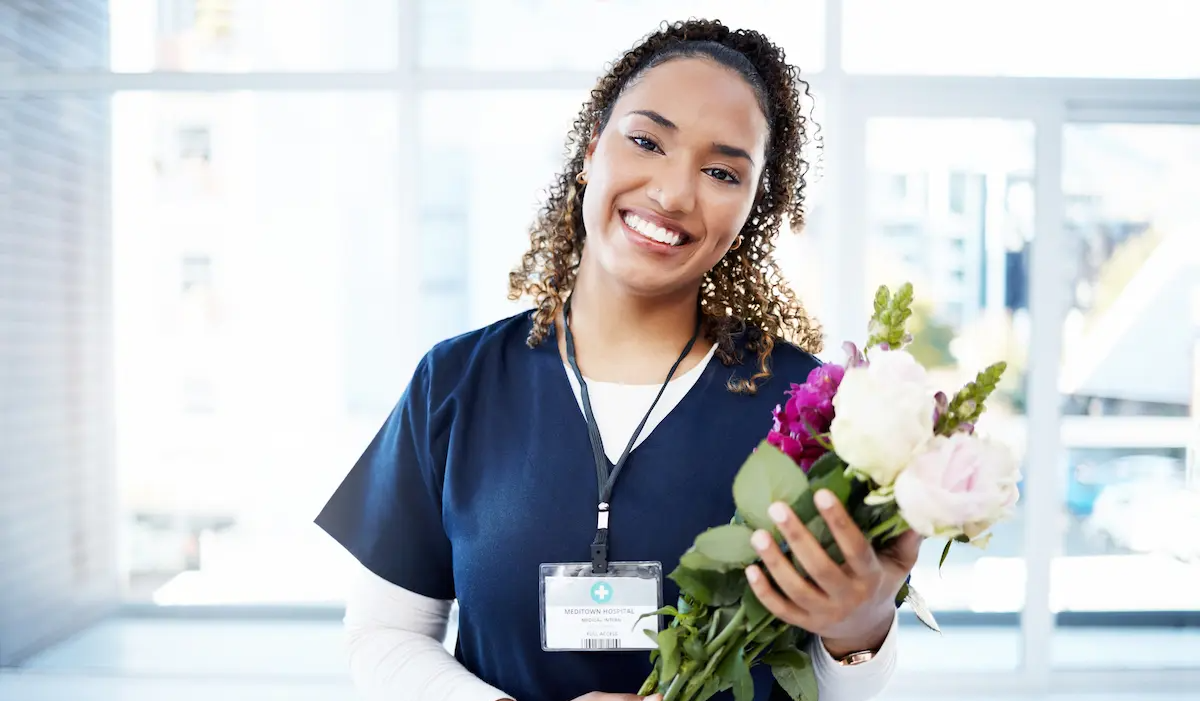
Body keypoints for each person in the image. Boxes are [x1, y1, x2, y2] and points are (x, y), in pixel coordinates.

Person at [315, 19, 920, 701]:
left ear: (753, 207)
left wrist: (861, 629)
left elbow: (829, 687)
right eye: (646, 141)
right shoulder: (457, 384)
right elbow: (383, 636)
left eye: (721, 171)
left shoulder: (811, 408)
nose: (671, 193)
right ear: (592, 150)